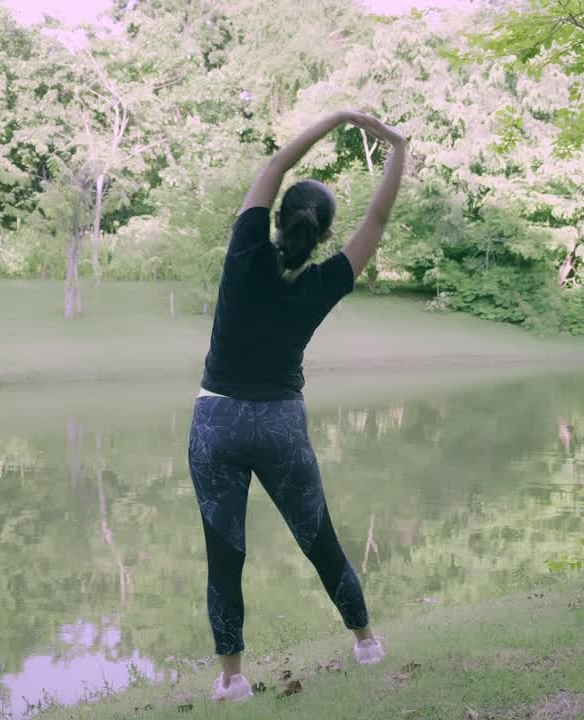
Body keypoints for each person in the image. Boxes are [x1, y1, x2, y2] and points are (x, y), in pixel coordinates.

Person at [187, 109, 407, 702]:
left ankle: (232, 680)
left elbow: (277, 164)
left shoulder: (243, 253)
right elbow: (379, 217)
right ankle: (365, 642)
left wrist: (336, 119)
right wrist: (397, 146)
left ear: (275, 219)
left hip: (217, 422)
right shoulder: (325, 281)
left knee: (224, 551)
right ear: (325, 235)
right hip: (281, 424)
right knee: (318, 537)